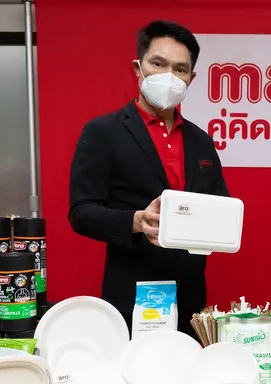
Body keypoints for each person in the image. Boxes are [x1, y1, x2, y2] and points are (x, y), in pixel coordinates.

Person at [68, 20, 229, 339]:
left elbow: (220, 204)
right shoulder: (103, 132)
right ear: (138, 68)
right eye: (158, 63)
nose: (169, 76)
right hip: (132, 296)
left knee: (188, 369)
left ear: (191, 78)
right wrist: (136, 221)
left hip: (191, 297)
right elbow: (81, 212)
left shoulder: (201, 141)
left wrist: (221, 222)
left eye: (180, 69)